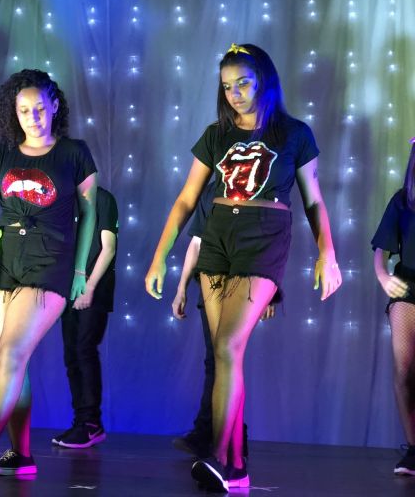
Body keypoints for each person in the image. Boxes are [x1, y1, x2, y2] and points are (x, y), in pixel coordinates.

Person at [144, 43, 342, 491]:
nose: (234, 94)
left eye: (243, 83)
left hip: (264, 238)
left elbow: (313, 200)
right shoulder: (216, 135)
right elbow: (186, 199)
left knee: (229, 346)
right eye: (227, 86)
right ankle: (233, 466)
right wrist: (160, 256)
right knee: (222, 352)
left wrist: (327, 253)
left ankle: (224, 459)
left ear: (264, 81)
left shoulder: (294, 134)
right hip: (217, 239)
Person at [0, 69, 97, 477]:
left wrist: (81, 270)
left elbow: (89, 214)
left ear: (54, 105)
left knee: (11, 354)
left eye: (39, 108)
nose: (32, 117)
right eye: (24, 110)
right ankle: (21, 456)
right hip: (5, 262)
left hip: (51, 262)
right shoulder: (1, 153)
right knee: (13, 360)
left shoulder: (74, 153)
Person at [171, 181, 276, 458]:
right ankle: (223, 435)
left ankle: (218, 436)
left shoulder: (259, 185)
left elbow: (268, 243)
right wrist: (181, 288)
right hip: (211, 285)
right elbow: (197, 242)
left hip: (243, 285)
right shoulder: (210, 190)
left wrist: (268, 291)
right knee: (216, 360)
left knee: (226, 358)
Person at [53, 185, 117, 449]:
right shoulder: (64, 198)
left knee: (84, 350)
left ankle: (91, 424)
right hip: (67, 289)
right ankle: (81, 421)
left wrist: (89, 287)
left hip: (93, 288)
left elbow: (108, 248)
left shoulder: (102, 198)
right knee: (71, 355)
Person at [371, 137, 415, 476]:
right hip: (408, 286)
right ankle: (414, 448)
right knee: (404, 369)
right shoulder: (403, 201)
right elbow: (381, 250)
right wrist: (383, 276)